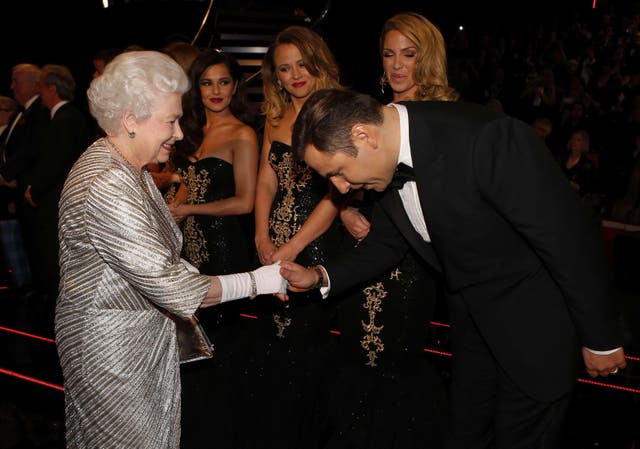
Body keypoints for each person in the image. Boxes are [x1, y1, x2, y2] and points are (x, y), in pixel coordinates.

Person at [280, 87, 627, 449]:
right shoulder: (382, 165)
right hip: (473, 330)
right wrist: (319, 276)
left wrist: (601, 337)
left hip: (535, 331)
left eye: (337, 172)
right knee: (463, 437)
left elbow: (567, 239)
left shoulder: (488, 139)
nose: (339, 187)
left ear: (363, 135)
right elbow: (386, 243)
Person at [55, 50, 287, 449]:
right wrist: (259, 280)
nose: (179, 133)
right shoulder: (108, 183)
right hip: (111, 352)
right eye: (170, 120)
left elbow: (156, 257)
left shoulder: (130, 168)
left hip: (135, 339)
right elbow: (174, 288)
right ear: (130, 119)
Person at [326, 12, 456, 448]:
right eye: (389, 54)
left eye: (409, 54)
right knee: (355, 360)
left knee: (395, 364)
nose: (397, 65)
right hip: (359, 251)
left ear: (429, 58)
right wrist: (344, 210)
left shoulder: (445, 118)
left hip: (410, 264)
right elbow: (342, 177)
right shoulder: (369, 115)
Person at [249, 25, 343, 448]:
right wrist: (260, 235)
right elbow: (266, 179)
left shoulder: (339, 110)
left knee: (308, 345)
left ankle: (310, 432)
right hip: (274, 240)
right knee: (275, 339)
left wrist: (290, 247)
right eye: (285, 69)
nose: (295, 75)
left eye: (302, 64)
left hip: (316, 240)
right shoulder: (274, 115)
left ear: (318, 61)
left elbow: (336, 195)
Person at [165, 48, 260, 448]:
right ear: (197, 89)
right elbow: (187, 182)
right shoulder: (191, 132)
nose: (216, 90)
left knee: (224, 347)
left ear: (235, 86)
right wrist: (173, 201)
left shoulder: (243, 133)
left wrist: (188, 207)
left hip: (224, 249)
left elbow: (246, 202)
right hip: (190, 252)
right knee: (192, 343)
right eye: (207, 83)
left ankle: (228, 429)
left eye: (224, 82)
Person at [25, 64, 91, 338]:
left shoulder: (65, 119)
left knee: (55, 257)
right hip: (60, 199)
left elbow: (54, 162)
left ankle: (64, 318)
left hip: (58, 201)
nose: (37, 92)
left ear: (52, 89)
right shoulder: (65, 117)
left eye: (41, 86)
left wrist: (34, 189)